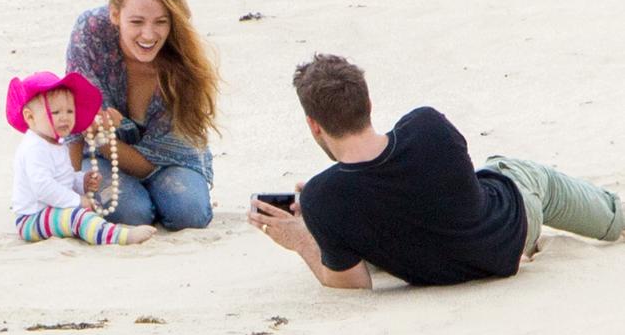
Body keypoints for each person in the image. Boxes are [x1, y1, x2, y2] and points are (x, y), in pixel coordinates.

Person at [248, 54, 624, 289]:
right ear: (368, 103)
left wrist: (303, 237)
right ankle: (616, 219)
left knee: (382, 220)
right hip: (510, 235)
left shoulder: (323, 197)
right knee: (518, 173)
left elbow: (351, 284)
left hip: (448, 265)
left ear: (314, 125)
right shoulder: (427, 127)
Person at [66, 0, 220, 231]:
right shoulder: (90, 32)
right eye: (137, 22)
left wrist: (103, 137)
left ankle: (157, 197)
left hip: (168, 160)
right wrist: (69, 186)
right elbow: (72, 119)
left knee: (190, 214)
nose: (149, 35)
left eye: (161, 22)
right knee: (131, 214)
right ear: (115, 15)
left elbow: (157, 157)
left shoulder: (183, 67)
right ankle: (141, 200)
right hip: (101, 158)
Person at [7, 71, 156, 245]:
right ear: (30, 117)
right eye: (55, 112)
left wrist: (81, 181)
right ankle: (120, 237)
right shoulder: (34, 148)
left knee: (85, 213)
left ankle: (99, 230)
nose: (64, 117)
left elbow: (64, 178)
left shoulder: (56, 143)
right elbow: (43, 187)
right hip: (32, 218)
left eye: (69, 111)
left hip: (51, 210)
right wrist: (77, 200)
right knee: (78, 217)